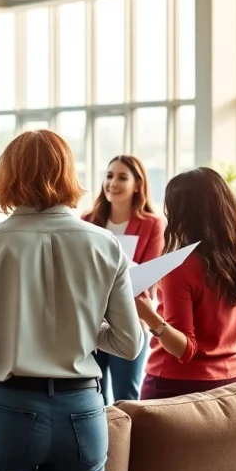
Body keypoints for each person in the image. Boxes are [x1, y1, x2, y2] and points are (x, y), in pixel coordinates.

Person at [0, 129, 143, 471]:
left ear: (8, 177)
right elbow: (128, 344)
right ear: (68, 174)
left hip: (8, 410)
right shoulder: (104, 244)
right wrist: (83, 332)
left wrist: (3, 338)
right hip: (82, 413)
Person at [134, 168, 236, 399]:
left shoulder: (179, 266)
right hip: (234, 381)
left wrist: (147, 314)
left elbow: (183, 350)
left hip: (177, 386)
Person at [82, 154, 164, 403]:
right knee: (92, 393)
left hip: (129, 319)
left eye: (122, 177)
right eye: (109, 176)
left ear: (138, 184)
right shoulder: (88, 221)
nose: (112, 183)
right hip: (91, 320)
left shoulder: (152, 224)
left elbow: (148, 278)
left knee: (126, 397)